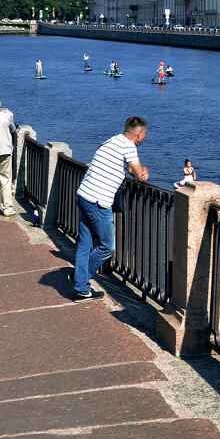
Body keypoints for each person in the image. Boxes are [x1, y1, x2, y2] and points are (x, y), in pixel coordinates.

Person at [72, 116, 149, 302]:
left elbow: (126, 167)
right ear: (139, 134)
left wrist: (134, 170)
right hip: (98, 202)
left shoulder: (112, 141)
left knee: (84, 244)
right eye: (144, 134)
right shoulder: (129, 147)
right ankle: (81, 283)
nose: (144, 138)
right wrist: (143, 170)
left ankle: (81, 286)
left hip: (83, 194)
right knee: (106, 247)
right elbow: (140, 176)